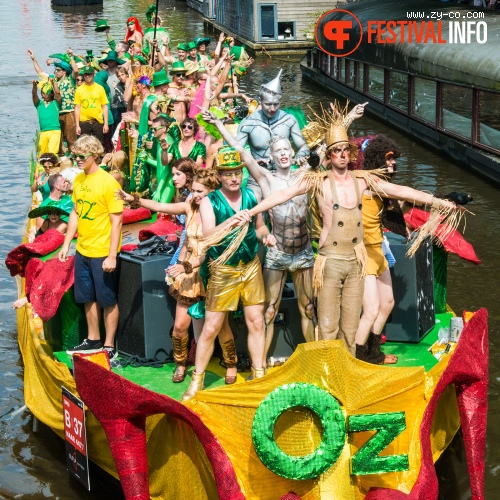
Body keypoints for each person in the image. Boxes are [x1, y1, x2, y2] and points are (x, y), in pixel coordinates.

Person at [234, 103, 457, 356]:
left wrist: (439, 201)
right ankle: (327, 369)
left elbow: (402, 191)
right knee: (328, 324)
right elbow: (282, 194)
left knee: (350, 326)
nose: (341, 154)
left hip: (356, 260)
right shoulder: (316, 181)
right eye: (336, 150)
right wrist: (251, 213)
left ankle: (348, 370)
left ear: (350, 154)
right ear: (329, 156)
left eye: (345, 150)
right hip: (330, 261)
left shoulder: (364, 179)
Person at [204, 109, 316, 365]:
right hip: (277, 252)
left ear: (292, 152)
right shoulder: (265, 179)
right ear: (272, 156)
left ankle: (314, 361)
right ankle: (261, 365)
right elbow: (242, 152)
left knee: (309, 309)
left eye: (287, 149)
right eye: (278, 151)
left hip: (304, 251)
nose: (284, 153)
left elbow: (328, 156)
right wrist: (221, 125)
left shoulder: (305, 176)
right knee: (267, 312)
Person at [182, 147, 276, 401]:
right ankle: (197, 380)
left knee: (256, 321)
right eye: (229, 174)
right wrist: (233, 221)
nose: (234, 178)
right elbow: (209, 236)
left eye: (237, 173)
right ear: (220, 176)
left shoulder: (251, 196)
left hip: (250, 266)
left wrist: (266, 236)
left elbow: (259, 227)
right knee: (211, 327)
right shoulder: (210, 201)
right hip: (222, 270)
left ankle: (258, 375)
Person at [58, 135, 123, 365]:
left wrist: (112, 255)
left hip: (102, 250)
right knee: (87, 297)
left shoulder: (108, 183)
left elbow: (117, 221)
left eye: (81, 156)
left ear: (94, 155)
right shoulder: (79, 181)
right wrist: (67, 243)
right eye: (74, 156)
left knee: (108, 299)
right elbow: (75, 212)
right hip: (83, 249)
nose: (77, 160)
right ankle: (93, 339)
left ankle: (109, 345)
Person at [354, 135, 405, 364]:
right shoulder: (371, 183)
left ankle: (373, 353)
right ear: (377, 160)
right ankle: (356, 358)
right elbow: (405, 193)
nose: (393, 163)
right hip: (363, 254)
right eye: (389, 159)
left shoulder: (381, 185)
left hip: (378, 250)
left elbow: (396, 203)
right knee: (371, 310)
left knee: (387, 303)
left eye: (394, 159)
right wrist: (437, 200)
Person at [74, 66, 109, 145]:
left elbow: (104, 106)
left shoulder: (100, 88)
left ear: (93, 75)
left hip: (97, 121)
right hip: (84, 122)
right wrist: (77, 125)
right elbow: (77, 108)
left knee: (99, 145)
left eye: (89, 74)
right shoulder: (79, 90)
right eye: (86, 74)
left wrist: (106, 123)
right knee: (83, 146)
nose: (87, 76)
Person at [32, 79, 62, 155]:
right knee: (42, 154)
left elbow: (58, 94)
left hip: (55, 130)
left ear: (51, 93)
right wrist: (34, 86)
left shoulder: (56, 103)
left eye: (47, 93)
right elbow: (34, 95)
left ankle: (53, 166)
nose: (45, 95)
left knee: (52, 152)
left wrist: (53, 83)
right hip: (43, 131)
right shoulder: (39, 104)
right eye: (43, 93)